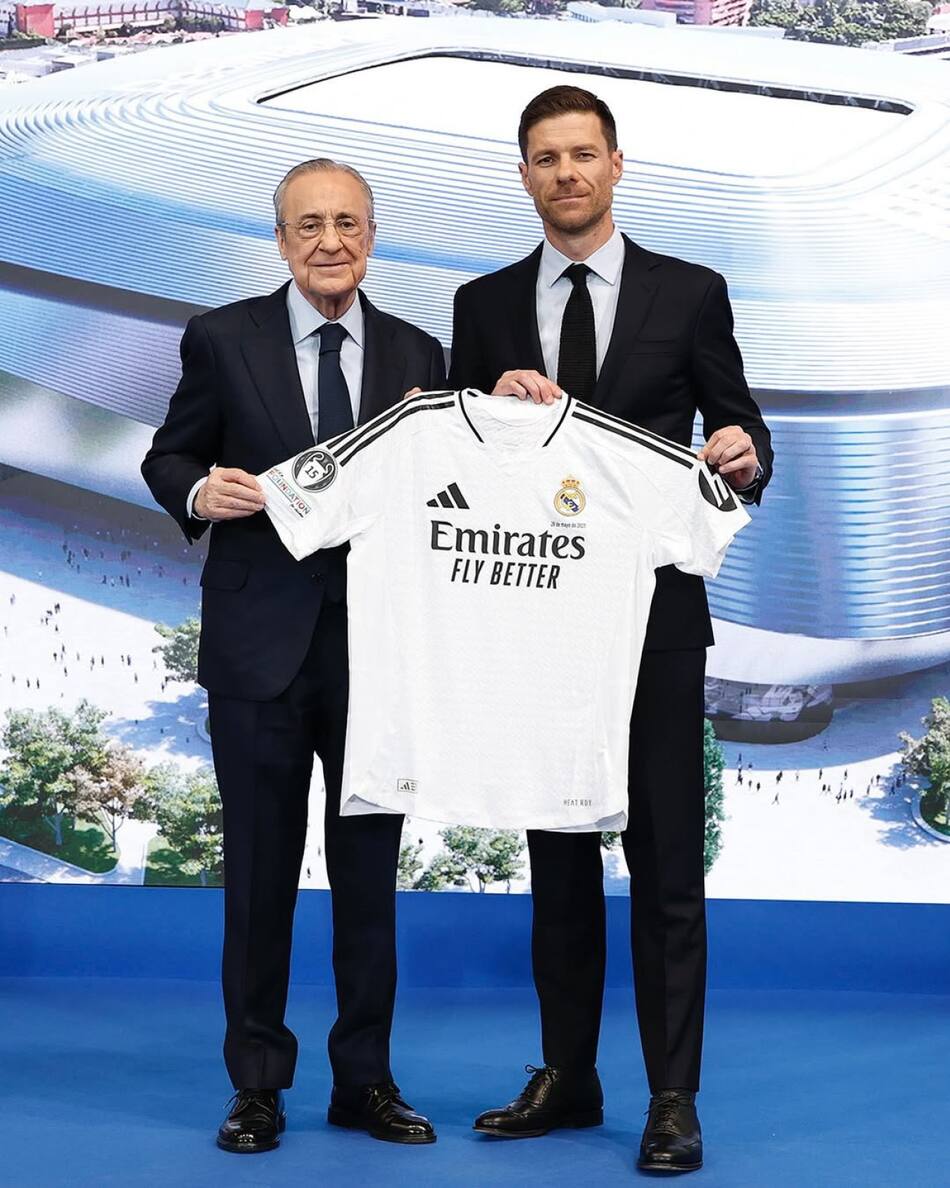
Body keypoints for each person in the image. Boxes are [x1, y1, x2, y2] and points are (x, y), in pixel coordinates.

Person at [448, 86, 772, 1174]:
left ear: (617, 165)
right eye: (544, 157)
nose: (565, 174)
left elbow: (742, 430)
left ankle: (671, 1097)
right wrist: (486, 407)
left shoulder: (691, 294)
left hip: (656, 625)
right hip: (535, 629)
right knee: (557, 866)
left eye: (582, 154)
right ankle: (568, 1076)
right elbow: (460, 471)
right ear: (524, 175)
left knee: (666, 870)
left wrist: (740, 453)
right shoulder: (481, 305)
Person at [142, 159, 445, 1154]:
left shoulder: (417, 351)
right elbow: (168, 455)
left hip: (376, 656)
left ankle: (364, 1083)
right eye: (307, 223)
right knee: (259, 882)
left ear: (371, 235)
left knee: (368, 884)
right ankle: (258, 1089)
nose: (329, 240)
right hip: (256, 653)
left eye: (347, 223)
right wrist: (198, 493)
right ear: (279, 239)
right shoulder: (220, 337)